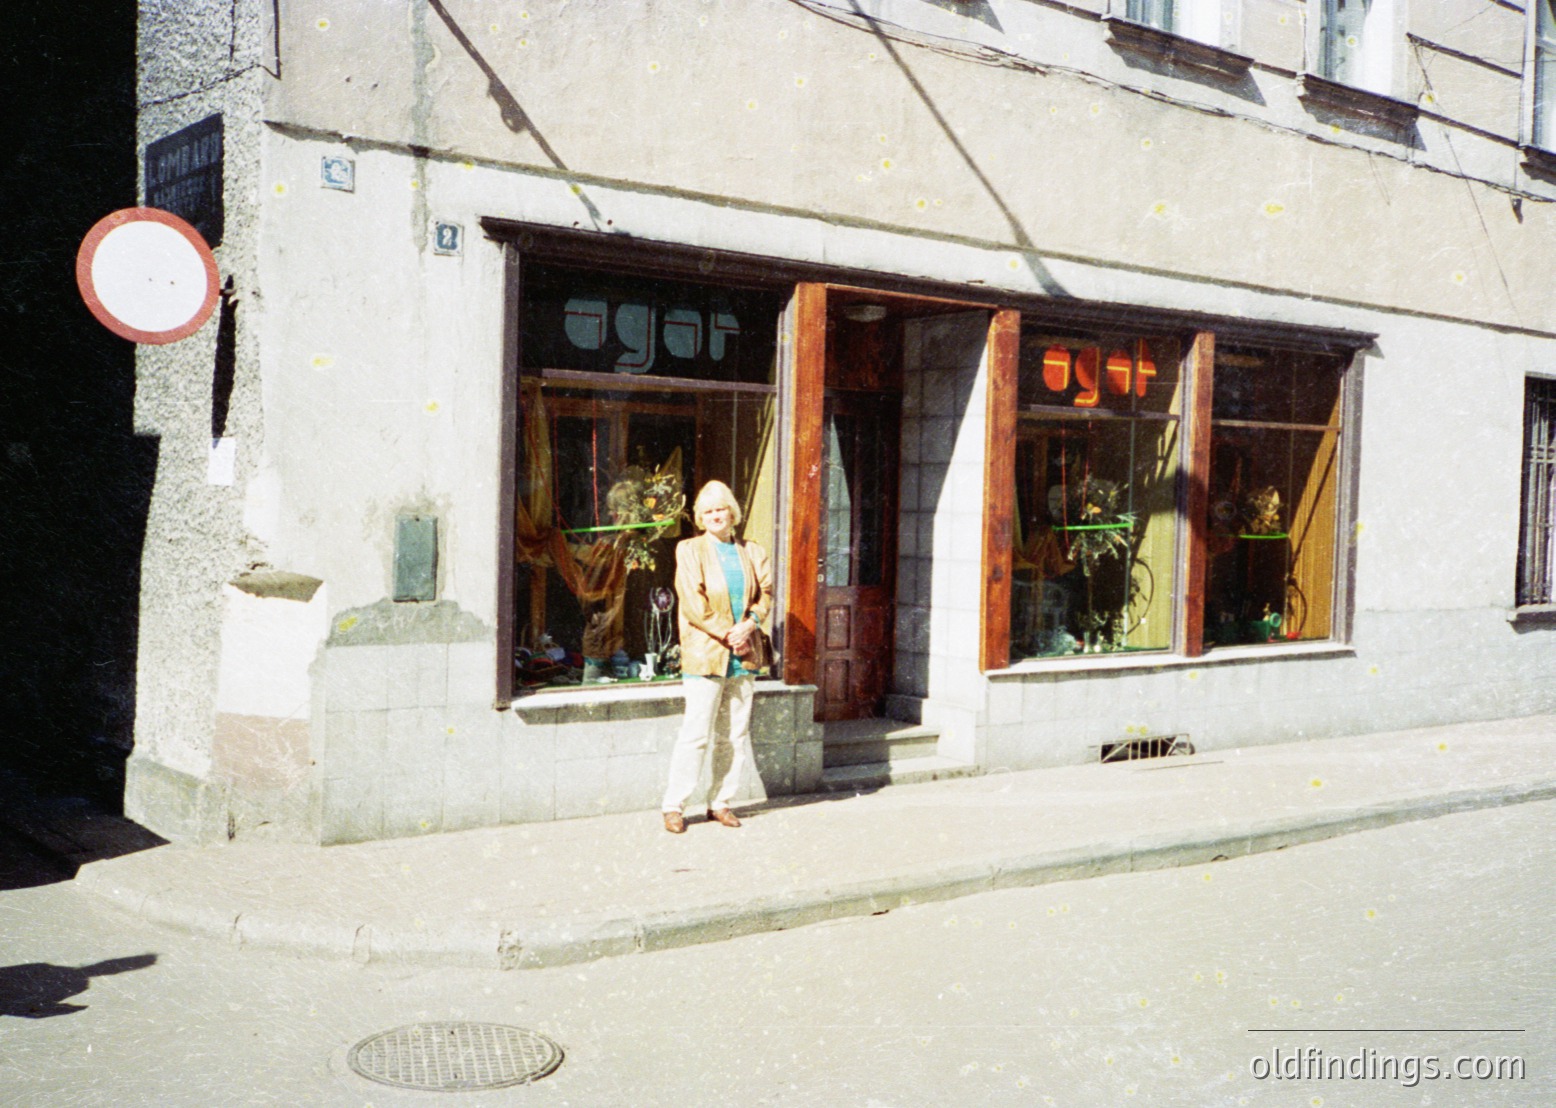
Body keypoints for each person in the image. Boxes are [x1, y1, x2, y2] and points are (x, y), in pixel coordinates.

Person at [661, 480, 772, 833]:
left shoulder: (752, 551)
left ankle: (721, 802)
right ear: (700, 517)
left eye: (720, 509)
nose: (714, 516)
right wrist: (731, 633)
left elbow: (765, 594)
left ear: (732, 513)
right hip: (707, 654)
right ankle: (674, 806)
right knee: (695, 734)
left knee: (733, 735)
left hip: (743, 656)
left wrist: (751, 622)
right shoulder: (689, 550)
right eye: (707, 511)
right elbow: (694, 605)